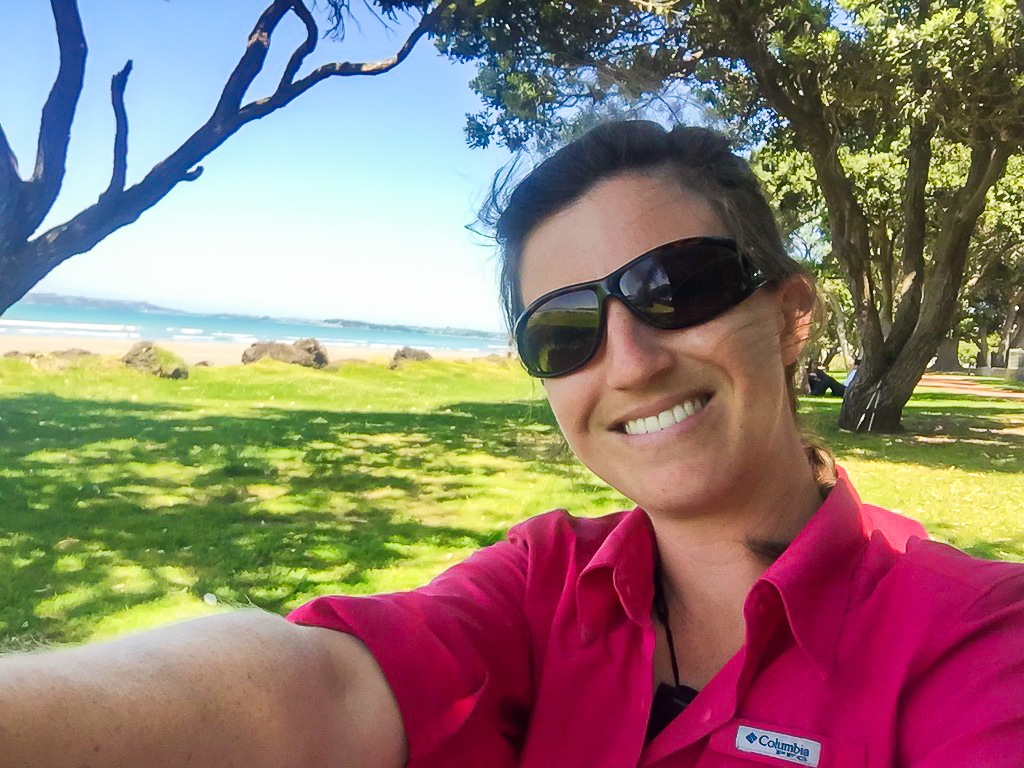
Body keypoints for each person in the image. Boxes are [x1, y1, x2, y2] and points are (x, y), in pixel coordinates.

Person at [2, 122, 1023, 767]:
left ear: (792, 315)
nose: (628, 361)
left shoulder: (975, 645)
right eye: (564, 331)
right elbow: (306, 689)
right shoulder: (546, 585)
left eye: (677, 287)